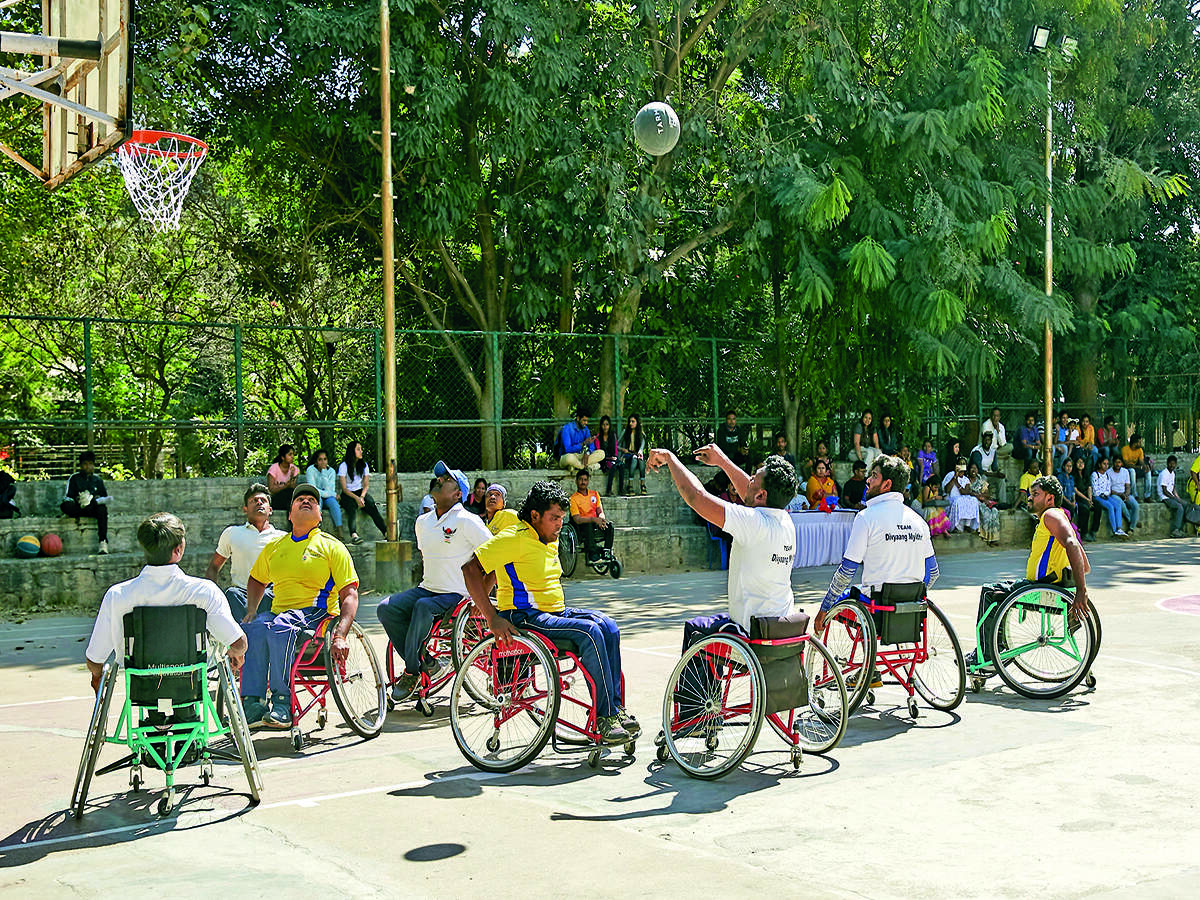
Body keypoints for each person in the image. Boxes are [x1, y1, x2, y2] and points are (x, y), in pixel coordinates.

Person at [461, 481, 638, 743]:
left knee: (608, 625)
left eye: (562, 518)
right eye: (554, 518)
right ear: (535, 515)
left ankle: (615, 709)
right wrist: (491, 616)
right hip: (524, 615)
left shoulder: (548, 538)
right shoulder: (514, 538)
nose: (559, 524)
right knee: (589, 633)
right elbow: (471, 569)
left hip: (554, 613)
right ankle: (606, 718)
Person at [646, 442, 800, 669]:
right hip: (780, 631)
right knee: (716, 625)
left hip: (749, 637)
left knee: (695, 629)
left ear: (762, 493)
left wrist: (670, 458)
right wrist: (722, 461)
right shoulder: (785, 521)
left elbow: (696, 497)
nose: (747, 481)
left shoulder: (753, 523)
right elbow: (751, 494)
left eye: (753, 479)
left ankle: (697, 705)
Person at [239, 483, 359, 728]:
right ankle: (253, 704)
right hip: (280, 613)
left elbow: (350, 594)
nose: (306, 500)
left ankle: (283, 703)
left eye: (312, 500)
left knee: (281, 625)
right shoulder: (275, 547)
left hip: (318, 613)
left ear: (320, 515)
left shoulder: (332, 546)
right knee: (253, 627)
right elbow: (256, 580)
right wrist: (252, 610)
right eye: (299, 499)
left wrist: (341, 635)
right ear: (290, 514)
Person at [85, 513, 247, 693]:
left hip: (141, 684)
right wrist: (235, 654)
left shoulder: (117, 596)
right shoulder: (204, 592)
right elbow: (239, 643)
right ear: (178, 550)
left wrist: (97, 675)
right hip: (192, 681)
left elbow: (95, 660)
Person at [378, 462, 491, 703]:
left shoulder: (468, 521)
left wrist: (480, 597)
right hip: (428, 589)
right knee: (386, 608)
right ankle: (427, 663)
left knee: (423, 608)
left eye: (446, 479)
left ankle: (412, 671)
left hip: (458, 595)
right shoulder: (423, 523)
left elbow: (497, 559)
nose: (439, 481)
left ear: (458, 493)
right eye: (439, 478)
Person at [965, 475, 1092, 671]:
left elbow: (1072, 544)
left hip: (1042, 590)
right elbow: (1085, 565)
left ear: (1049, 499)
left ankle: (989, 656)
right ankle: (996, 649)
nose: (1029, 498)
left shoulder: (1052, 515)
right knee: (1002, 590)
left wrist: (1081, 592)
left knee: (990, 592)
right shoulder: (1060, 518)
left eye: (1035, 494)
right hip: (1051, 588)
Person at [812, 455, 939, 636]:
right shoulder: (919, 521)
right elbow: (933, 573)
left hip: (875, 611)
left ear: (886, 485)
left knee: (840, 597)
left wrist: (824, 608)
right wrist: (914, 597)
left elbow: (846, 572)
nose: (868, 480)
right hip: (910, 610)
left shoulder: (866, 518)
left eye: (873, 476)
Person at [205, 483, 284, 622]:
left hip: (271, 594)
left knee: (269, 596)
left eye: (263, 500)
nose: (259, 502)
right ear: (245, 509)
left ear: (270, 510)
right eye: (254, 501)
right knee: (231, 594)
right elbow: (213, 567)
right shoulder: (232, 533)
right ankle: (240, 638)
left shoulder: (283, 538)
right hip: (241, 596)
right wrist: (211, 598)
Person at [337, 440, 387, 544]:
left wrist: (362, 497)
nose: (361, 451)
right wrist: (356, 498)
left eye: (361, 449)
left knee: (371, 505)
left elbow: (366, 484)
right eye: (358, 449)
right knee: (351, 508)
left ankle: (386, 532)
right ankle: (354, 535)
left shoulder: (364, 465)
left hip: (360, 492)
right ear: (352, 451)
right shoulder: (343, 466)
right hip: (348, 494)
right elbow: (344, 488)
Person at [61, 450, 111, 554]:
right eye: (85, 464)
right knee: (65, 506)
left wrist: (94, 500)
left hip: (92, 508)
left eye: (91, 464)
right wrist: (78, 499)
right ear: (81, 466)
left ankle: (103, 542)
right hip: (78, 508)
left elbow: (105, 498)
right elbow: (67, 497)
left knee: (102, 509)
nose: (88, 467)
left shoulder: (98, 480)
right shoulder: (74, 479)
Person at [570, 470, 615, 562]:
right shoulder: (573, 498)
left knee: (609, 525)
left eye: (585, 480)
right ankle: (592, 554)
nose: (583, 482)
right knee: (588, 525)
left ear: (588, 481)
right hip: (582, 525)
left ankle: (606, 551)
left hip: (595, 522)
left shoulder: (594, 494)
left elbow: (600, 511)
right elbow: (577, 519)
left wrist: (601, 519)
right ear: (576, 481)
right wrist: (594, 520)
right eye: (581, 480)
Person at [305, 449, 342, 535]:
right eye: (320, 459)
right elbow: (313, 489)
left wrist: (324, 472)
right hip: (315, 495)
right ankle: (316, 528)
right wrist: (333, 494)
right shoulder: (310, 470)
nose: (323, 462)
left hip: (328, 496)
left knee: (334, 503)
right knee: (318, 502)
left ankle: (340, 531)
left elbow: (329, 489)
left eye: (325, 459)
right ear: (316, 461)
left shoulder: (331, 471)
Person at [1089, 456, 1127, 539]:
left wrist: (1106, 494)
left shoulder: (1107, 475)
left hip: (1106, 496)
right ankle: (1114, 530)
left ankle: (1119, 528)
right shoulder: (1095, 475)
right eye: (1104, 464)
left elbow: (1108, 488)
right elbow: (1094, 489)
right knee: (1110, 506)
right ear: (1099, 464)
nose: (1106, 466)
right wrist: (1101, 494)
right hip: (1098, 497)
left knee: (1117, 505)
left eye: (1107, 464)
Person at [558, 407, 605, 474]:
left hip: (580, 457)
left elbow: (591, 446)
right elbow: (567, 449)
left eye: (587, 421)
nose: (586, 423)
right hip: (567, 457)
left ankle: (575, 466)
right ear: (578, 418)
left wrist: (588, 453)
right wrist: (583, 443)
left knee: (601, 453)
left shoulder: (585, 429)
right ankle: (584, 467)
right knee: (570, 458)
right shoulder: (567, 429)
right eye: (584, 420)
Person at [969, 431, 1007, 505]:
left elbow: (994, 467)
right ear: (982, 440)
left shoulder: (993, 451)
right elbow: (979, 470)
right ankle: (984, 502)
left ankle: (1003, 503)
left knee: (1001, 480)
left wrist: (999, 473)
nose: (987, 442)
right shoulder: (977, 451)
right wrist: (994, 474)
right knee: (984, 479)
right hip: (978, 476)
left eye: (989, 440)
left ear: (991, 441)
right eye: (985, 440)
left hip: (988, 474)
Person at [943, 460, 980, 533]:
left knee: (973, 500)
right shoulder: (950, 475)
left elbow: (965, 492)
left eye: (963, 464)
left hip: (963, 497)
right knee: (958, 501)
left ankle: (968, 525)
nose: (962, 465)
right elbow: (947, 490)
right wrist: (954, 477)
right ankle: (956, 526)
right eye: (960, 464)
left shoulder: (966, 479)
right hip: (952, 498)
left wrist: (957, 483)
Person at [968, 461, 1000, 545]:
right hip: (973, 503)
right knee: (985, 513)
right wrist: (977, 496)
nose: (973, 470)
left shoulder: (981, 481)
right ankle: (986, 536)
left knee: (994, 512)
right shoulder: (966, 481)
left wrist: (983, 497)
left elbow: (987, 494)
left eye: (975, 468)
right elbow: (967, 492)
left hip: (983, 501)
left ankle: (993, 538)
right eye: (972, 468)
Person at [1058, 457, 1091, 537]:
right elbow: (1061, 492)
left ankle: (1081, 532)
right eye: (1067, 466)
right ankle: (1067, 531)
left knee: (1084, 508)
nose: (1069, 468)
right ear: (1063, 466)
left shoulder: (1071, 478)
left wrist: (1073, 501)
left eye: (1070, 466)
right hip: (1063, 500)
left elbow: (1073, 492)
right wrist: (1069, 502)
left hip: (1070, 500)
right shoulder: (1060, 477)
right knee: (1070, 509)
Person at [1158, 456, 1187, 538]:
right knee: (1179, 507)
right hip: (1164, 497)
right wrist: (1174, 498)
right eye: (1170, 463)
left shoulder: (1173, 473)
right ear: (1167, 464)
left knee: (1185, 505)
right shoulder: (1164, 473)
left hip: (1170, 496)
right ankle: (1175, 530)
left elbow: (1173, 488)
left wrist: (1178, 498)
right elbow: (1165, 491)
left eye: (1174, 464)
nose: (1172, 465)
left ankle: (1181, 529)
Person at [267, 444, 300, 515]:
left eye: (293, 454)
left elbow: (293, 488)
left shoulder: (294, 469)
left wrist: (291, 475)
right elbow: (271, 489)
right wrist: (285, 486)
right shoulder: (274, 468)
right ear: (283, 457)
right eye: (290, 454)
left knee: (291, 496)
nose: (292, 457)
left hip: (289, 499)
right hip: (276, 499)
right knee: (289, 494)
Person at [618, 413, 648, 495]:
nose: (630, 423)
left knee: (640, 460)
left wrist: (640, 451)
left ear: (637, 422)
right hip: (627, 456)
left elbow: (642, 446)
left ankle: (643, 484)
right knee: (634, 458)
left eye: (633, 421)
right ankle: (630, 485)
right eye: (630, 421)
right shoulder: (625, 432)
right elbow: (616, 445)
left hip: (636, 455)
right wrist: (622, 449)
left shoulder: (641, 434)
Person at [1109, 455, 1140, 531]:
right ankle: (1131, 520)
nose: (1117, 464)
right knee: (1121, 504)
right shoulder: (1108, 472)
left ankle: (1131, 528)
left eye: (1119, 462)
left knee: (1135, 505)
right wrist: (1120, 495)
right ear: (1113, 463)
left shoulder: (1125, 471)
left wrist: (1126, 494)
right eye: (1116, 462)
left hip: (1124, 493)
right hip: (1114, 494)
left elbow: (1127, 486)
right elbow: (1109, 489)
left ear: (1122, 463)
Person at [1121, 434, 1155, 501]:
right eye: (1139, 442)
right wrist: (1139, 467)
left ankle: (1147, 496)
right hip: (1126, 470)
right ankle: (1135, 495)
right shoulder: (1125, 449)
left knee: (1148, 472)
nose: (1141, 443)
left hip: (1136, 468)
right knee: (1132, 471)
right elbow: (1126, 464)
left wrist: (1145, 466)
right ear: (1135, 443)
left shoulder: (1140, 450)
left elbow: (1141, 461)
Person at [594, 415, 620, 496]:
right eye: (603, 424)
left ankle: (621, 489)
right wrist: (608, 458)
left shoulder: (613, 435)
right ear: (601, 426)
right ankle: (608, 490)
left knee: (621, 465)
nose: (605, 427)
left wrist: (614, 457)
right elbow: (599, 452)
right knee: (612, 467)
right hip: (603, 459)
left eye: (607, 424)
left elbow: (615, 449)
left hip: (612, 458)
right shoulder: (598, 437)